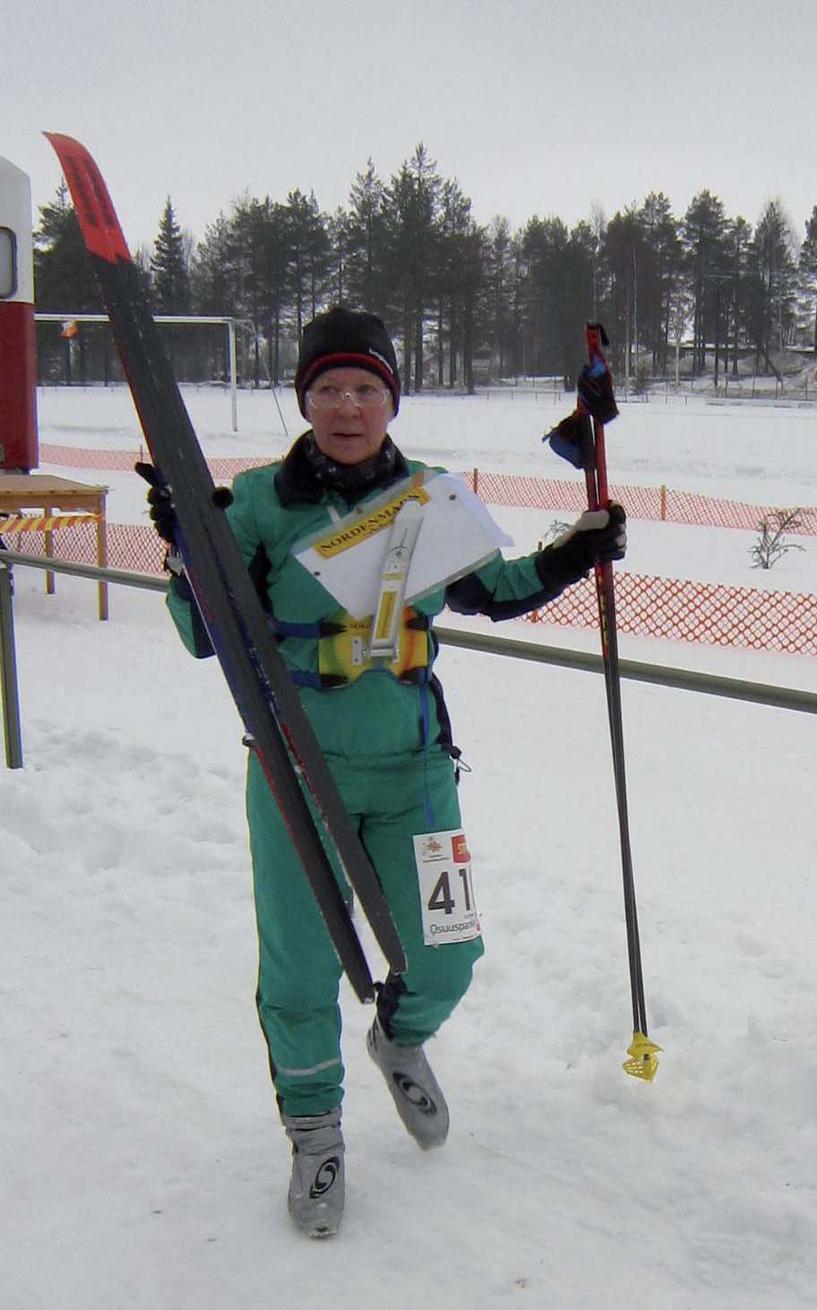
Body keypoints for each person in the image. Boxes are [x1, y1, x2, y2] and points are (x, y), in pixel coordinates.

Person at [143, 306, 626, 1238]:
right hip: (296, 779)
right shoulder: (252, 505)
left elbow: (495, 591)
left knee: (450, 952)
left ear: (392, 399)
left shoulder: (431, 498)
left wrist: (576, 549)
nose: (347, 405)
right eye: (328, 388)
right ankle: (315, 1132)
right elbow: (208, 636)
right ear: (305, 400)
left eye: (366, 387)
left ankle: (398, 1040)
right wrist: (186, 552)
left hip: (415, 771)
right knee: (299, 967)